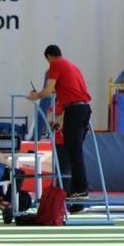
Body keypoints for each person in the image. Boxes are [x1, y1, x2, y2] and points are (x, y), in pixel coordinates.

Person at [28, 45, 93, 199]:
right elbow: (64, 91)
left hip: (74, 111)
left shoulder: (55, 65)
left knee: (74, 153)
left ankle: (81, 189)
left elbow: (49, 89)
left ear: (49, 57)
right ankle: (79, 189)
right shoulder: (72, 66)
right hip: (83, 109)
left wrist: (36, 95)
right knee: (75, 152)